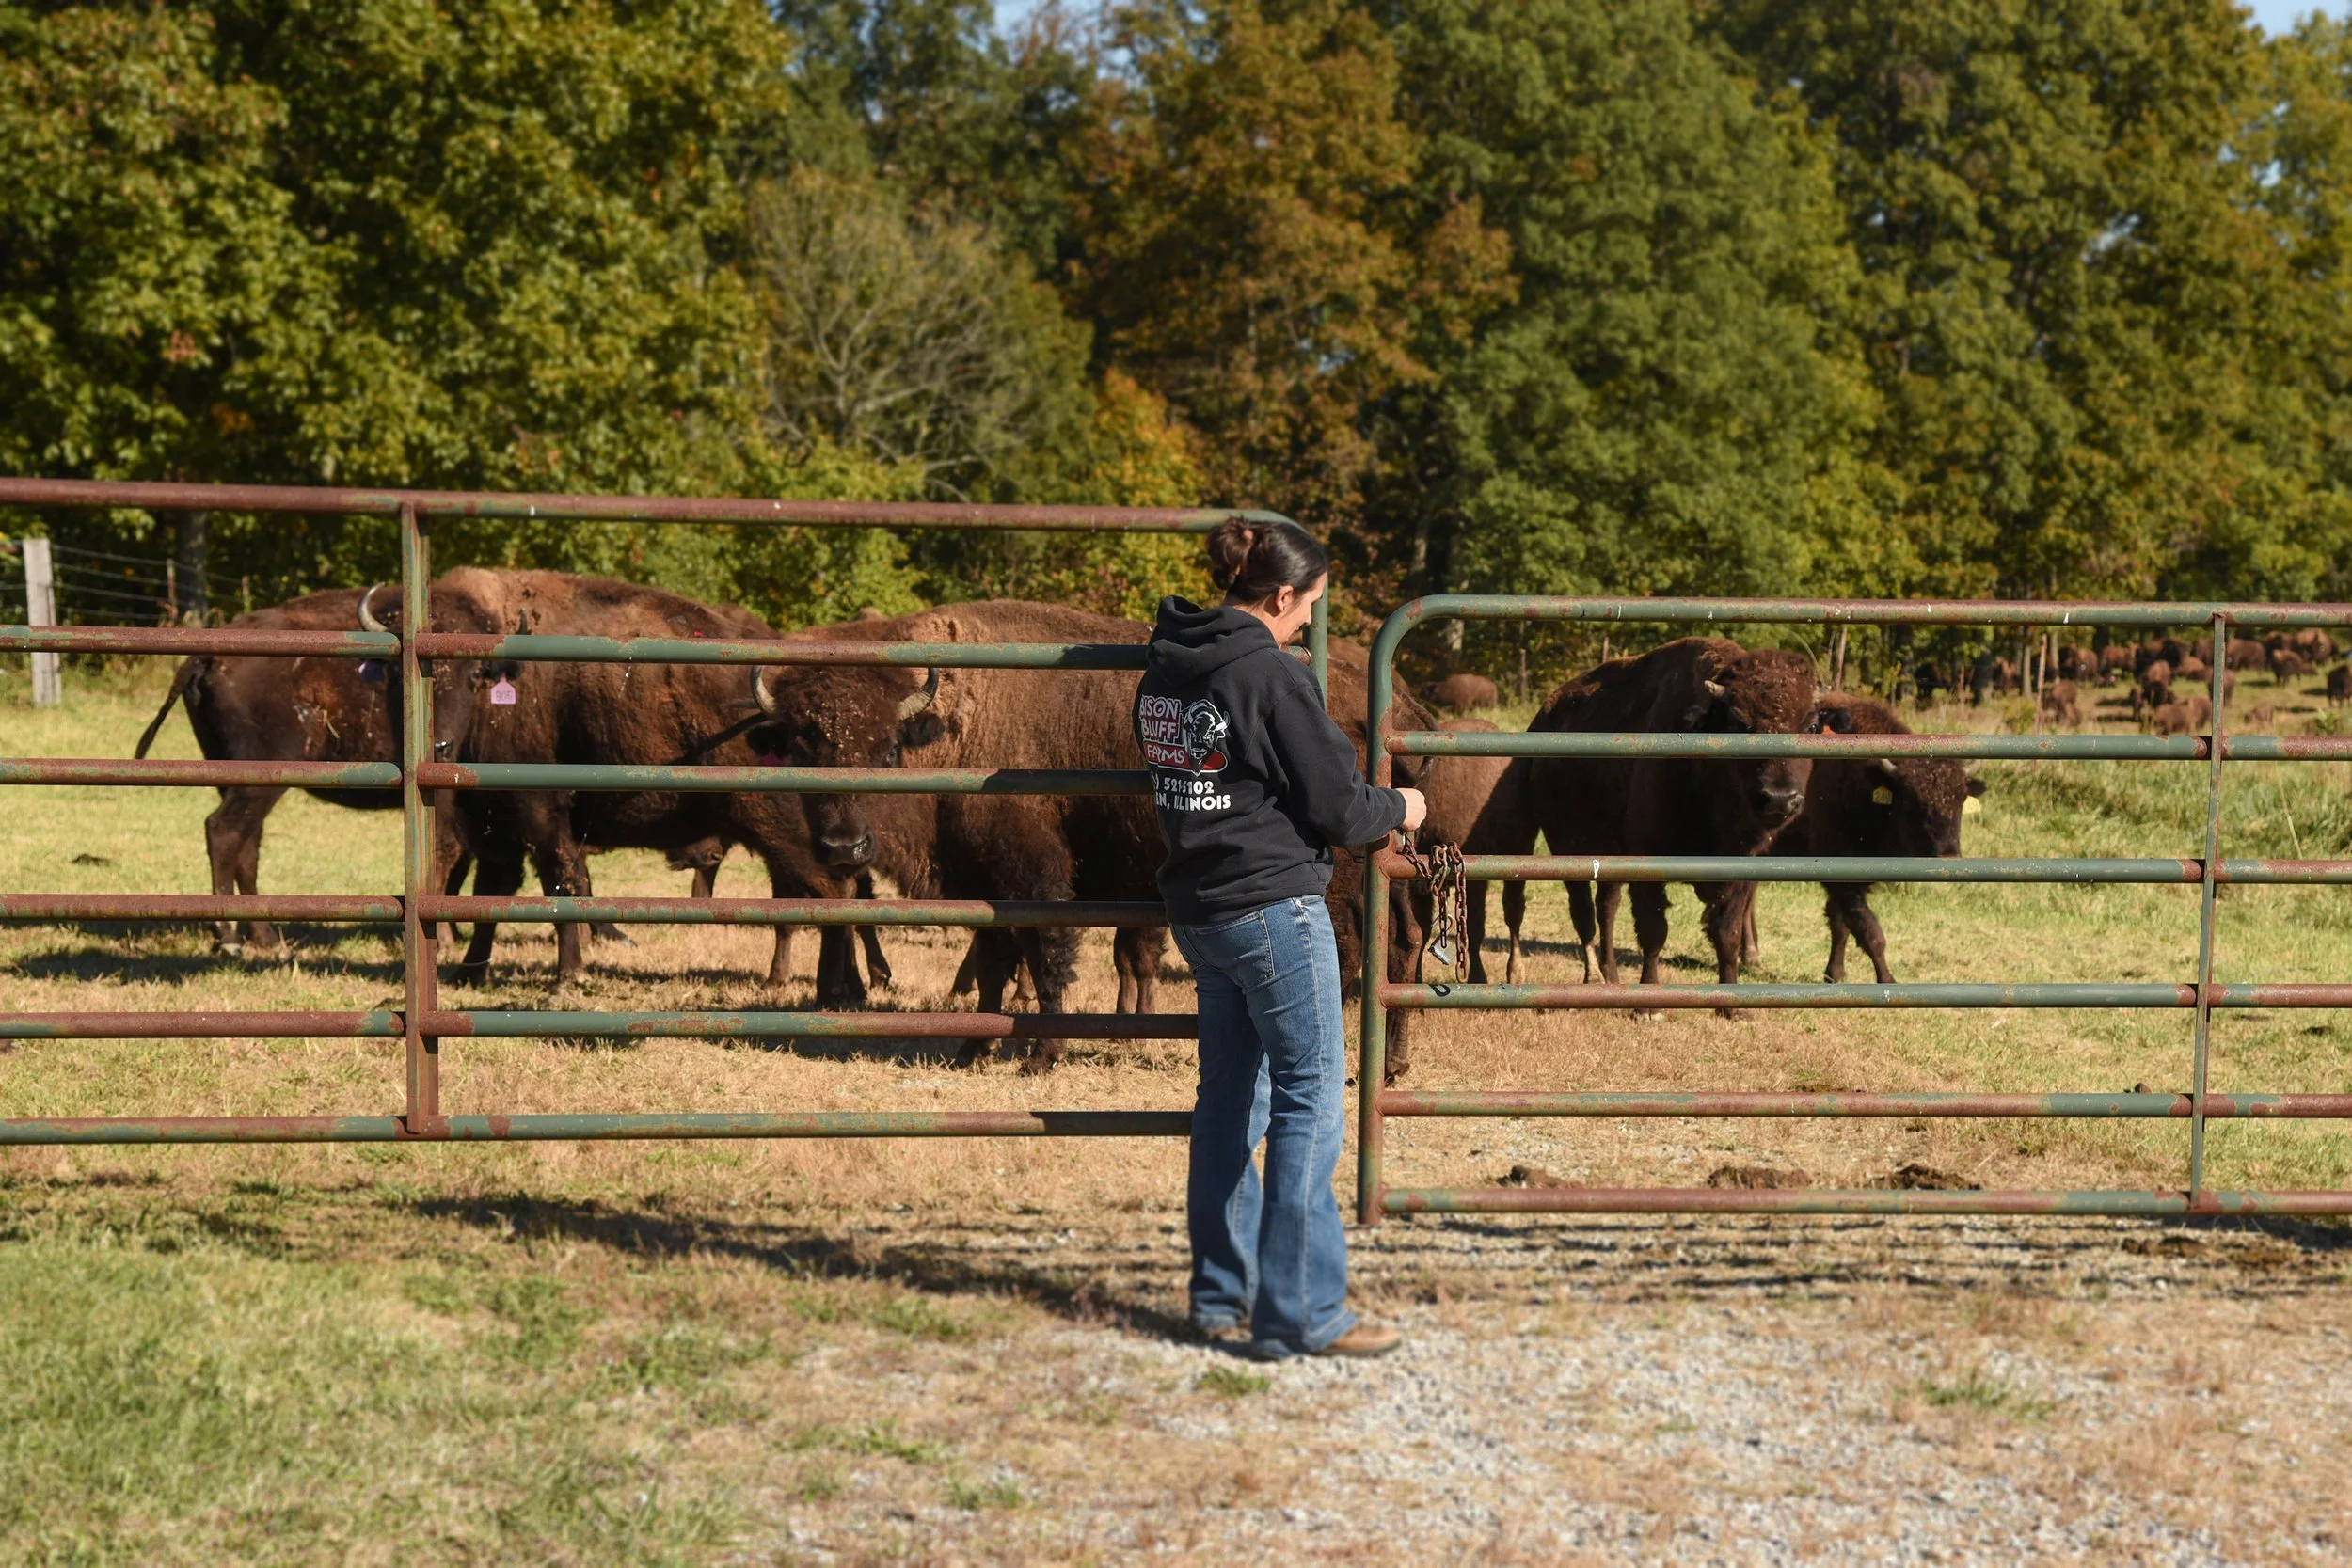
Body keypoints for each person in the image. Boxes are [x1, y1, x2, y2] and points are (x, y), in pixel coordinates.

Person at [1134, 517, 1427, 1360]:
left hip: (1200, 909)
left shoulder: (1164, 668)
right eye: (1309, 610)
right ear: (1282, 595)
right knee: (1309, 1098)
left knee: (1228, 1105)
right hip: (1272, 910)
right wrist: (1400, 808)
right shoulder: (1268, 675)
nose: (1308, 626)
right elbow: (1338, 808)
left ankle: (1221, 1296)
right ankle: (1299, 1312)